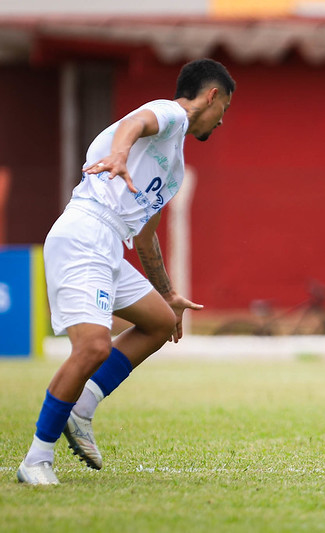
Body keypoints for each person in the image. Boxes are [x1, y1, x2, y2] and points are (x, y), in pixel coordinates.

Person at [17, 58, 235, 485]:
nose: (222, 120)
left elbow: (145, 235)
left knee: (158, 322)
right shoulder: (171, 114)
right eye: (224, 108)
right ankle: (37, 459)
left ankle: (82, 408)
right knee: (93, 348)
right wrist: (118, 155)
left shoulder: (172, 164)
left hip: (110, 243)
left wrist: (168, 294)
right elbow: (135, 122)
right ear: (212, 96)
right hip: (85, 231)